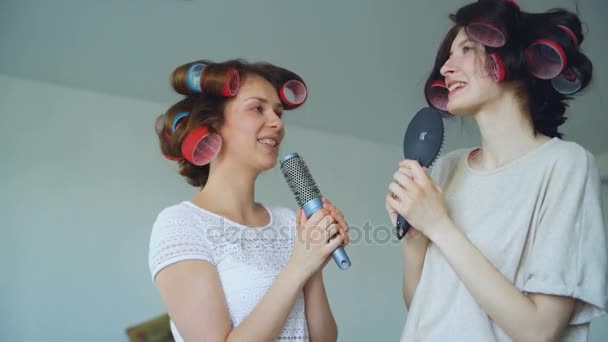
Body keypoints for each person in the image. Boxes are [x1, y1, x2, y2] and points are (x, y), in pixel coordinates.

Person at [385, 1, 607, 340]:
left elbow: (539, 331)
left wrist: (439, 225)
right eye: (448, 55)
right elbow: (423, 312)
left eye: (466, 49)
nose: (445, 68)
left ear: (509, 58)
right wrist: (414, 242)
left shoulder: (564, 165)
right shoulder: (446, 168)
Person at [148, 59, 350, 341]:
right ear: (213, 125)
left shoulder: (288, 222)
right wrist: (299, 264)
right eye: (258, 108)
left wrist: (314, 261)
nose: (277, 123)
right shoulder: (180, 225)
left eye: (279, 113)